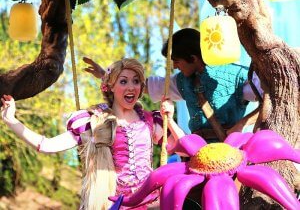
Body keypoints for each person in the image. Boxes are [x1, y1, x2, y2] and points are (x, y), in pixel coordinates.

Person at [1, 58, 184, 210]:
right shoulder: (93, 122)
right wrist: (11, 120)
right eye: (123, 81)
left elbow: (184, 149)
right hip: (115, 204)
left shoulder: (151, 121)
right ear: (110, 87)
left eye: (136, 81)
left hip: (151, 204)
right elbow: (46, 145)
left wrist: (171, 119)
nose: (131, 87)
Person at [84, 28, 263, 143]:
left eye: (176, 61)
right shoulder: (182, 81)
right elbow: (141, 86)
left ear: (193, 58)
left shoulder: (238, 76)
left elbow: (271, 98)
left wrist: (241, 124)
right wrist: (107, 76)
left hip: (231, 151)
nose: (175, 66)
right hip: (197, 152)